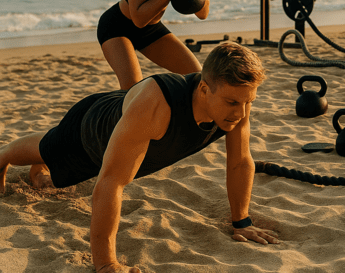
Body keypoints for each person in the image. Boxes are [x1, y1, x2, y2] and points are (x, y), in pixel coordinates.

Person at [0, 42, 279, 273]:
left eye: (248, 102)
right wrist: (106, 264)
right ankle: (2, 157)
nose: (242, 113)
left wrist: (241, 222)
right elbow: (110, 183)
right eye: (233, 103)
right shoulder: (159, 103)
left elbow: (240, 161)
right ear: (205, 90)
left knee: (52, 158)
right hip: (90, 129)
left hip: (125, 120)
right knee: (50, 148)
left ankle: (39, 162)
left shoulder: (235, 102)